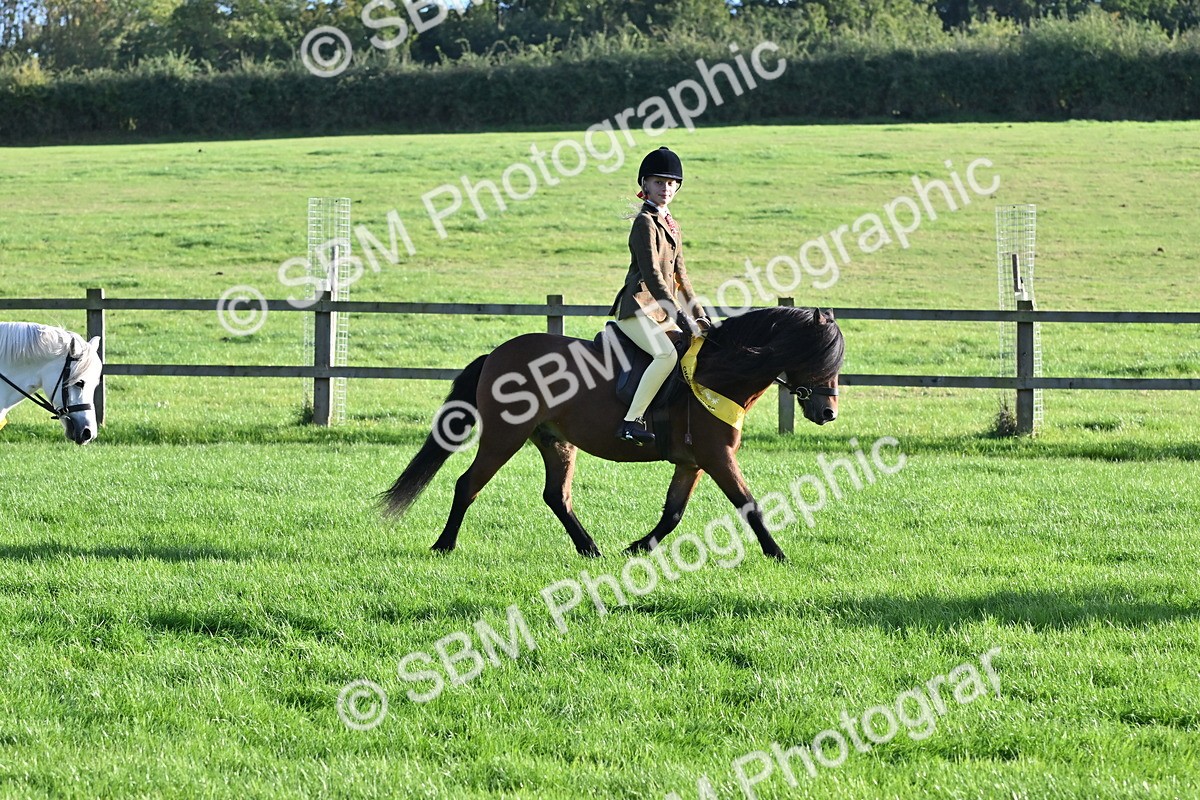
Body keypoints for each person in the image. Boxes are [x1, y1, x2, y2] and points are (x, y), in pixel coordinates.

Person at [609, 146, 711, 445]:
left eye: (670, 183)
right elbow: (653, 276)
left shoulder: (672, 224)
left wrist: (700, 314)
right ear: (644, 185)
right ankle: (630, 421)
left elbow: (682, 276)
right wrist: (678, 315)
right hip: (637, 308)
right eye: (658, 182)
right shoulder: (644, 223)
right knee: (665, 356)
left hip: (660, 312)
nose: (665, 188)